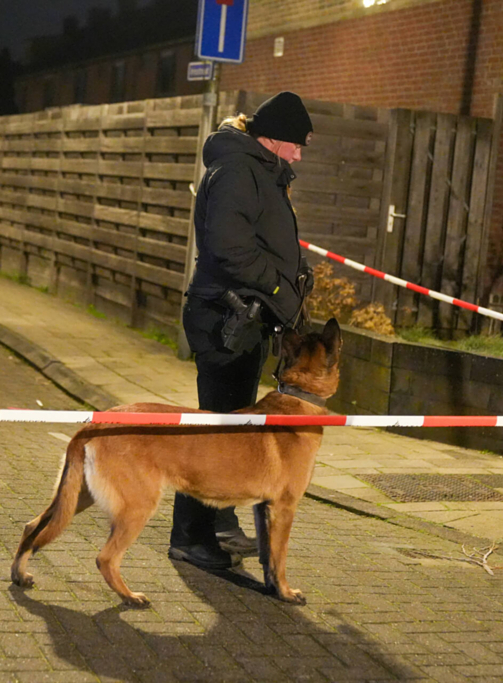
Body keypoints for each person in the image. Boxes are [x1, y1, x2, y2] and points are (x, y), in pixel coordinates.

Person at [171, 91, 315, 570]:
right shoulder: (237, 170)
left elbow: (263, 239)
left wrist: (292, 281)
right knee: (215, 433)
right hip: (225, 320)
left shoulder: (261, 170)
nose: (299, 155)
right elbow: (229, 247)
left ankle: (220, 523)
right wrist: (277, 286)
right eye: (297, 144)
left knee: (233, 428)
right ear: (273, 138)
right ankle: (190, 537)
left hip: (246, 319)